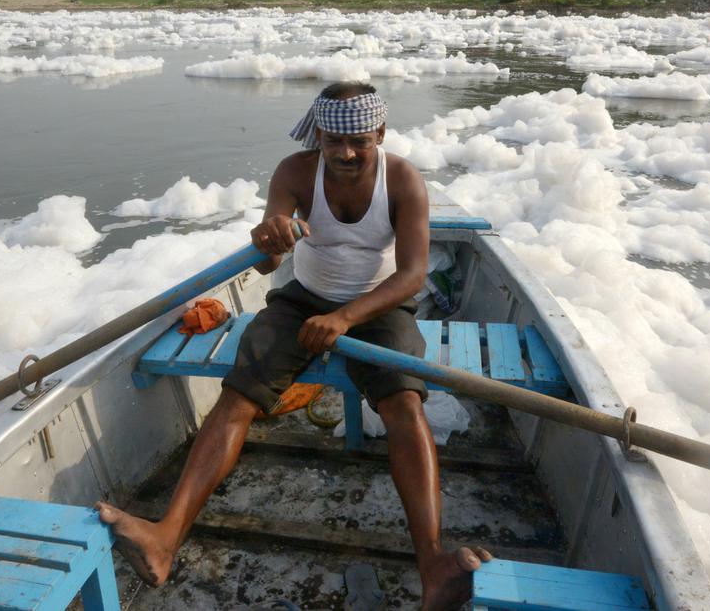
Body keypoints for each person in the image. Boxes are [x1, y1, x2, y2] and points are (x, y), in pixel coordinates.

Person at [96, 81, 490, 610]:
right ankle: (165, 537)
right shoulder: (295, 172)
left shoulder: (403, 180)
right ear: (320, 138)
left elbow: (414, 274)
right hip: (303, 299)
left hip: (379, 304)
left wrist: (346, 317)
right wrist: (269, 241)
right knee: (238, 397)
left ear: (380, 134)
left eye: (360, 142)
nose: (347, 154)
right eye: (334, 142)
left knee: (403, 403)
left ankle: (433, 564)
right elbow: (267, 266)